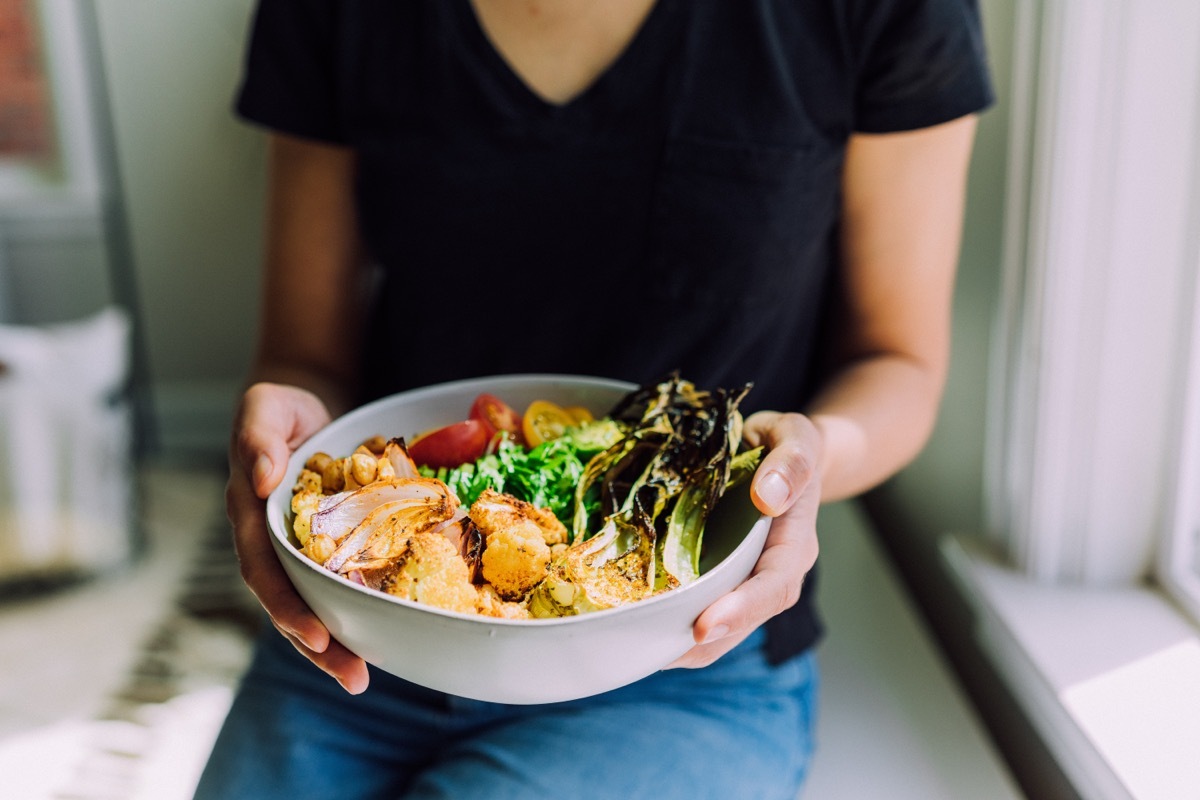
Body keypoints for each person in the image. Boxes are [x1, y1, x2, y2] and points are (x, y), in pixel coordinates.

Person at [196, 1, 992, 797]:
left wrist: (806, 461)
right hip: (365, 637)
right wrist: (287, 436)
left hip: (683, 659)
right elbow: (306, 355)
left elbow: (898, 363)